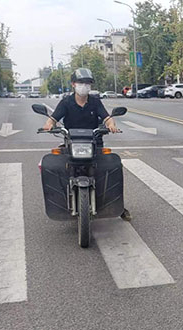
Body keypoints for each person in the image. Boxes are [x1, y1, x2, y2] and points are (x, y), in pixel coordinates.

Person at [42, 68, 130, 221]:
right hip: (72, 143)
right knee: (58, 167)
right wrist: (48, 125)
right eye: (81, 82)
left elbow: (107, 118)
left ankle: (116, 205)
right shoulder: (66, 102)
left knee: (110, 169)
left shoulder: (95, 101)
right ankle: (61, 202)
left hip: (94, 142)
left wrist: (111, 125)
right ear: (73, 84)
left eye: (88, 83)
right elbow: (53, 118)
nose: (84, 86)